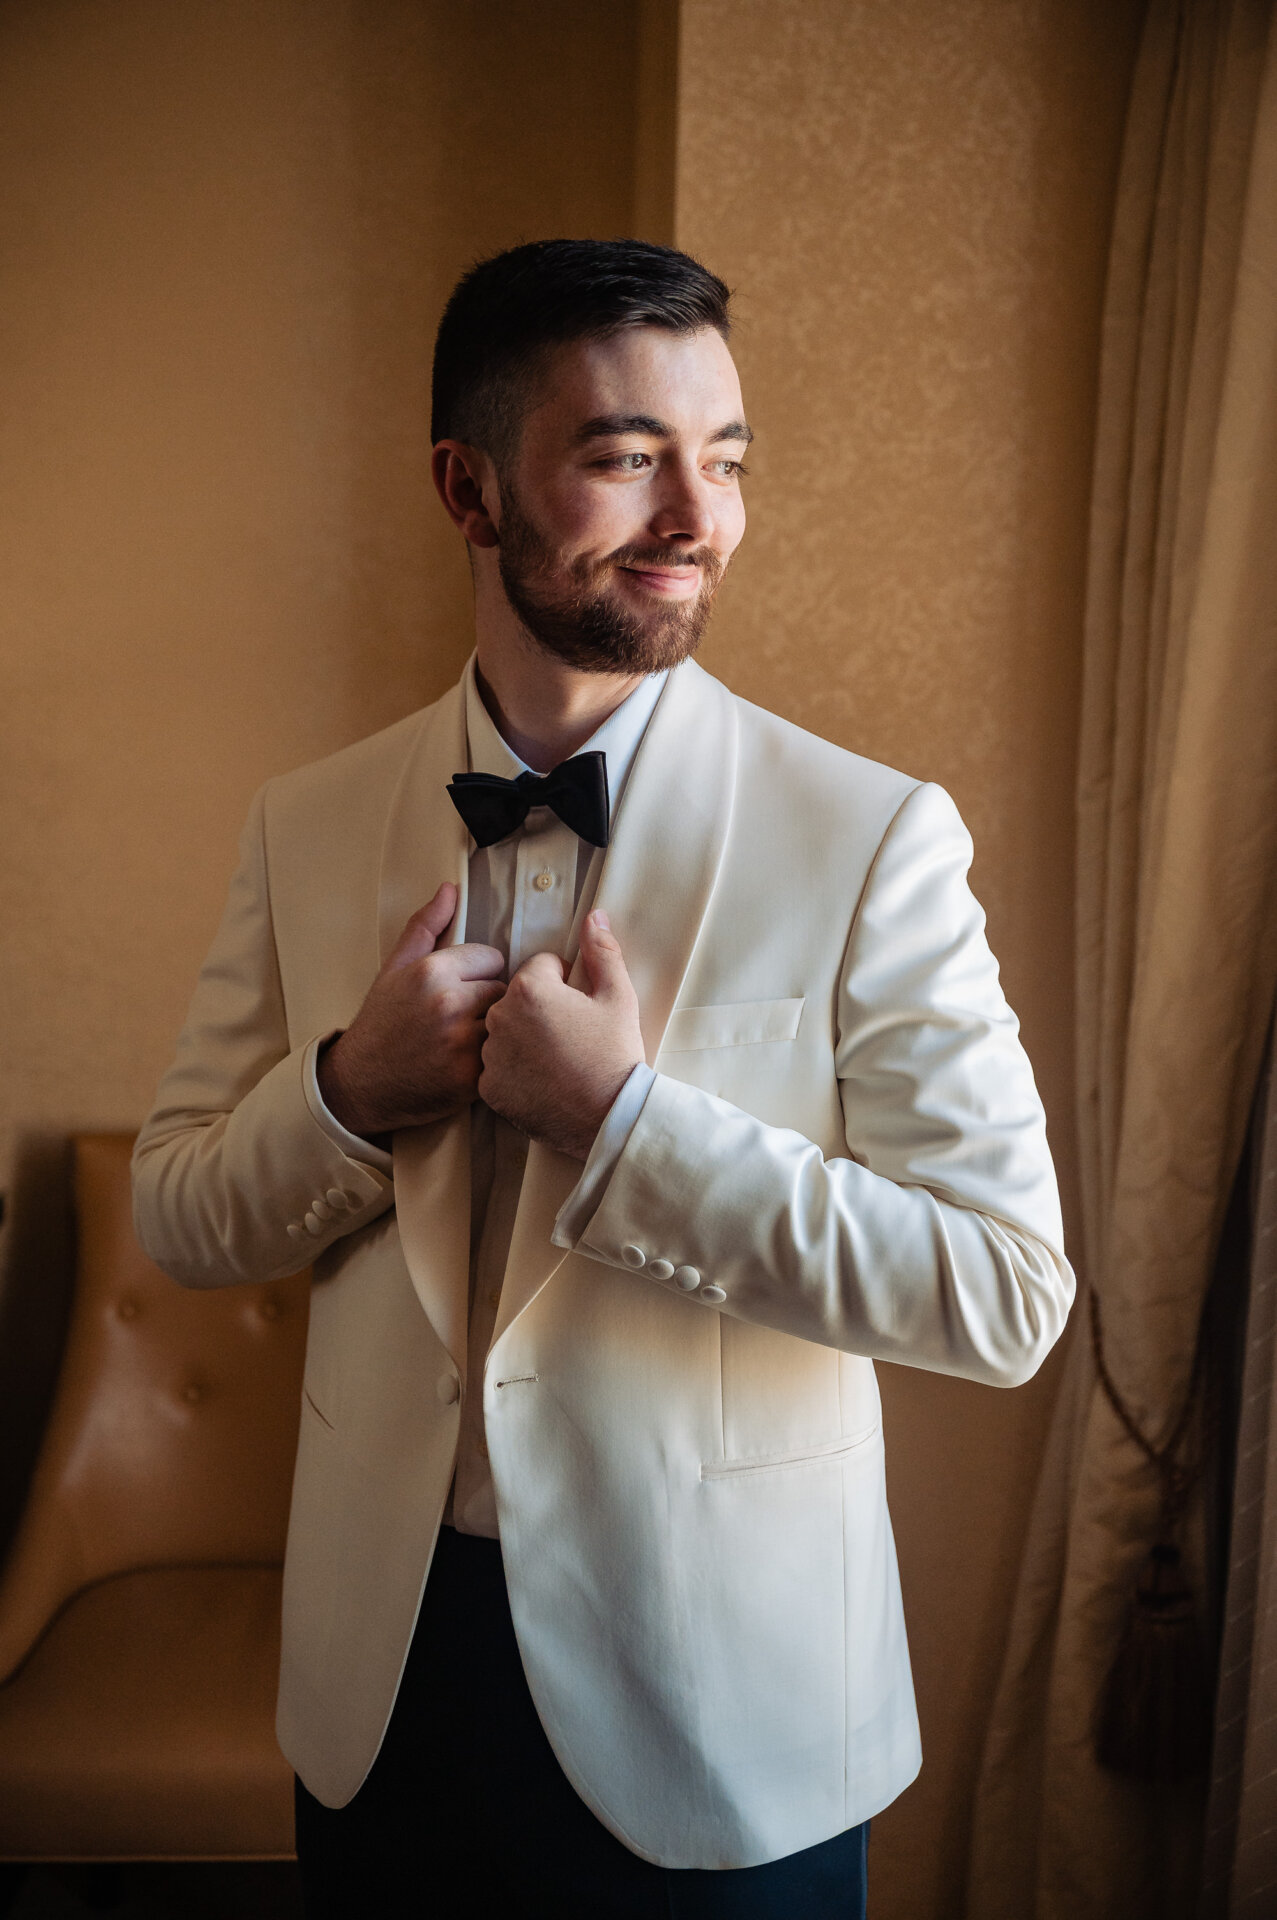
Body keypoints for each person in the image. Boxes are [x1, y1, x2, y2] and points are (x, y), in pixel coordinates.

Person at [132, 238, 1073, 1918]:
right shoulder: (310, 818)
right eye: (627, 457)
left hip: (721, 1708)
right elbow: (187, 1216)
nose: (695, 518)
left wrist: (626, 1126)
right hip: (383, 1685)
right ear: (468, 488)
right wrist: (351, 1086)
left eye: (722, 461)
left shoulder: (868, 839)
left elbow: (1003, 1293)